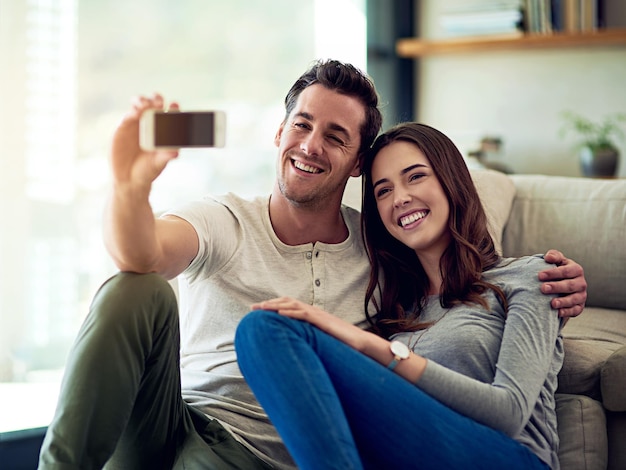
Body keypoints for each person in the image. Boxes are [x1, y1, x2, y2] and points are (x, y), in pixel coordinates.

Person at [39, 60, 585, 470]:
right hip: (175, 416)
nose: (310, 145)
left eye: (336, 137)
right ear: (279, 134)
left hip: (254, 452)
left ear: (354, 165)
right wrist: (131, 188)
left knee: (267, 330)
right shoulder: (229, 220)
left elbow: (502, 387)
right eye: (301, 125)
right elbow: (142, 255)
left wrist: (557, 285)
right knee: (133, 289)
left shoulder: (386, 263)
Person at [235, 122, 567, 470]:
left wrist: (373, 347)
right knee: (262, 330)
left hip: (506, 458)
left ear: (450, 179)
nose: (401, 198)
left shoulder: (532, 277)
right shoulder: (394, 307)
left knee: (266, 328)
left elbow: (508, 413)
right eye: (383, 191)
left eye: (415, 176)